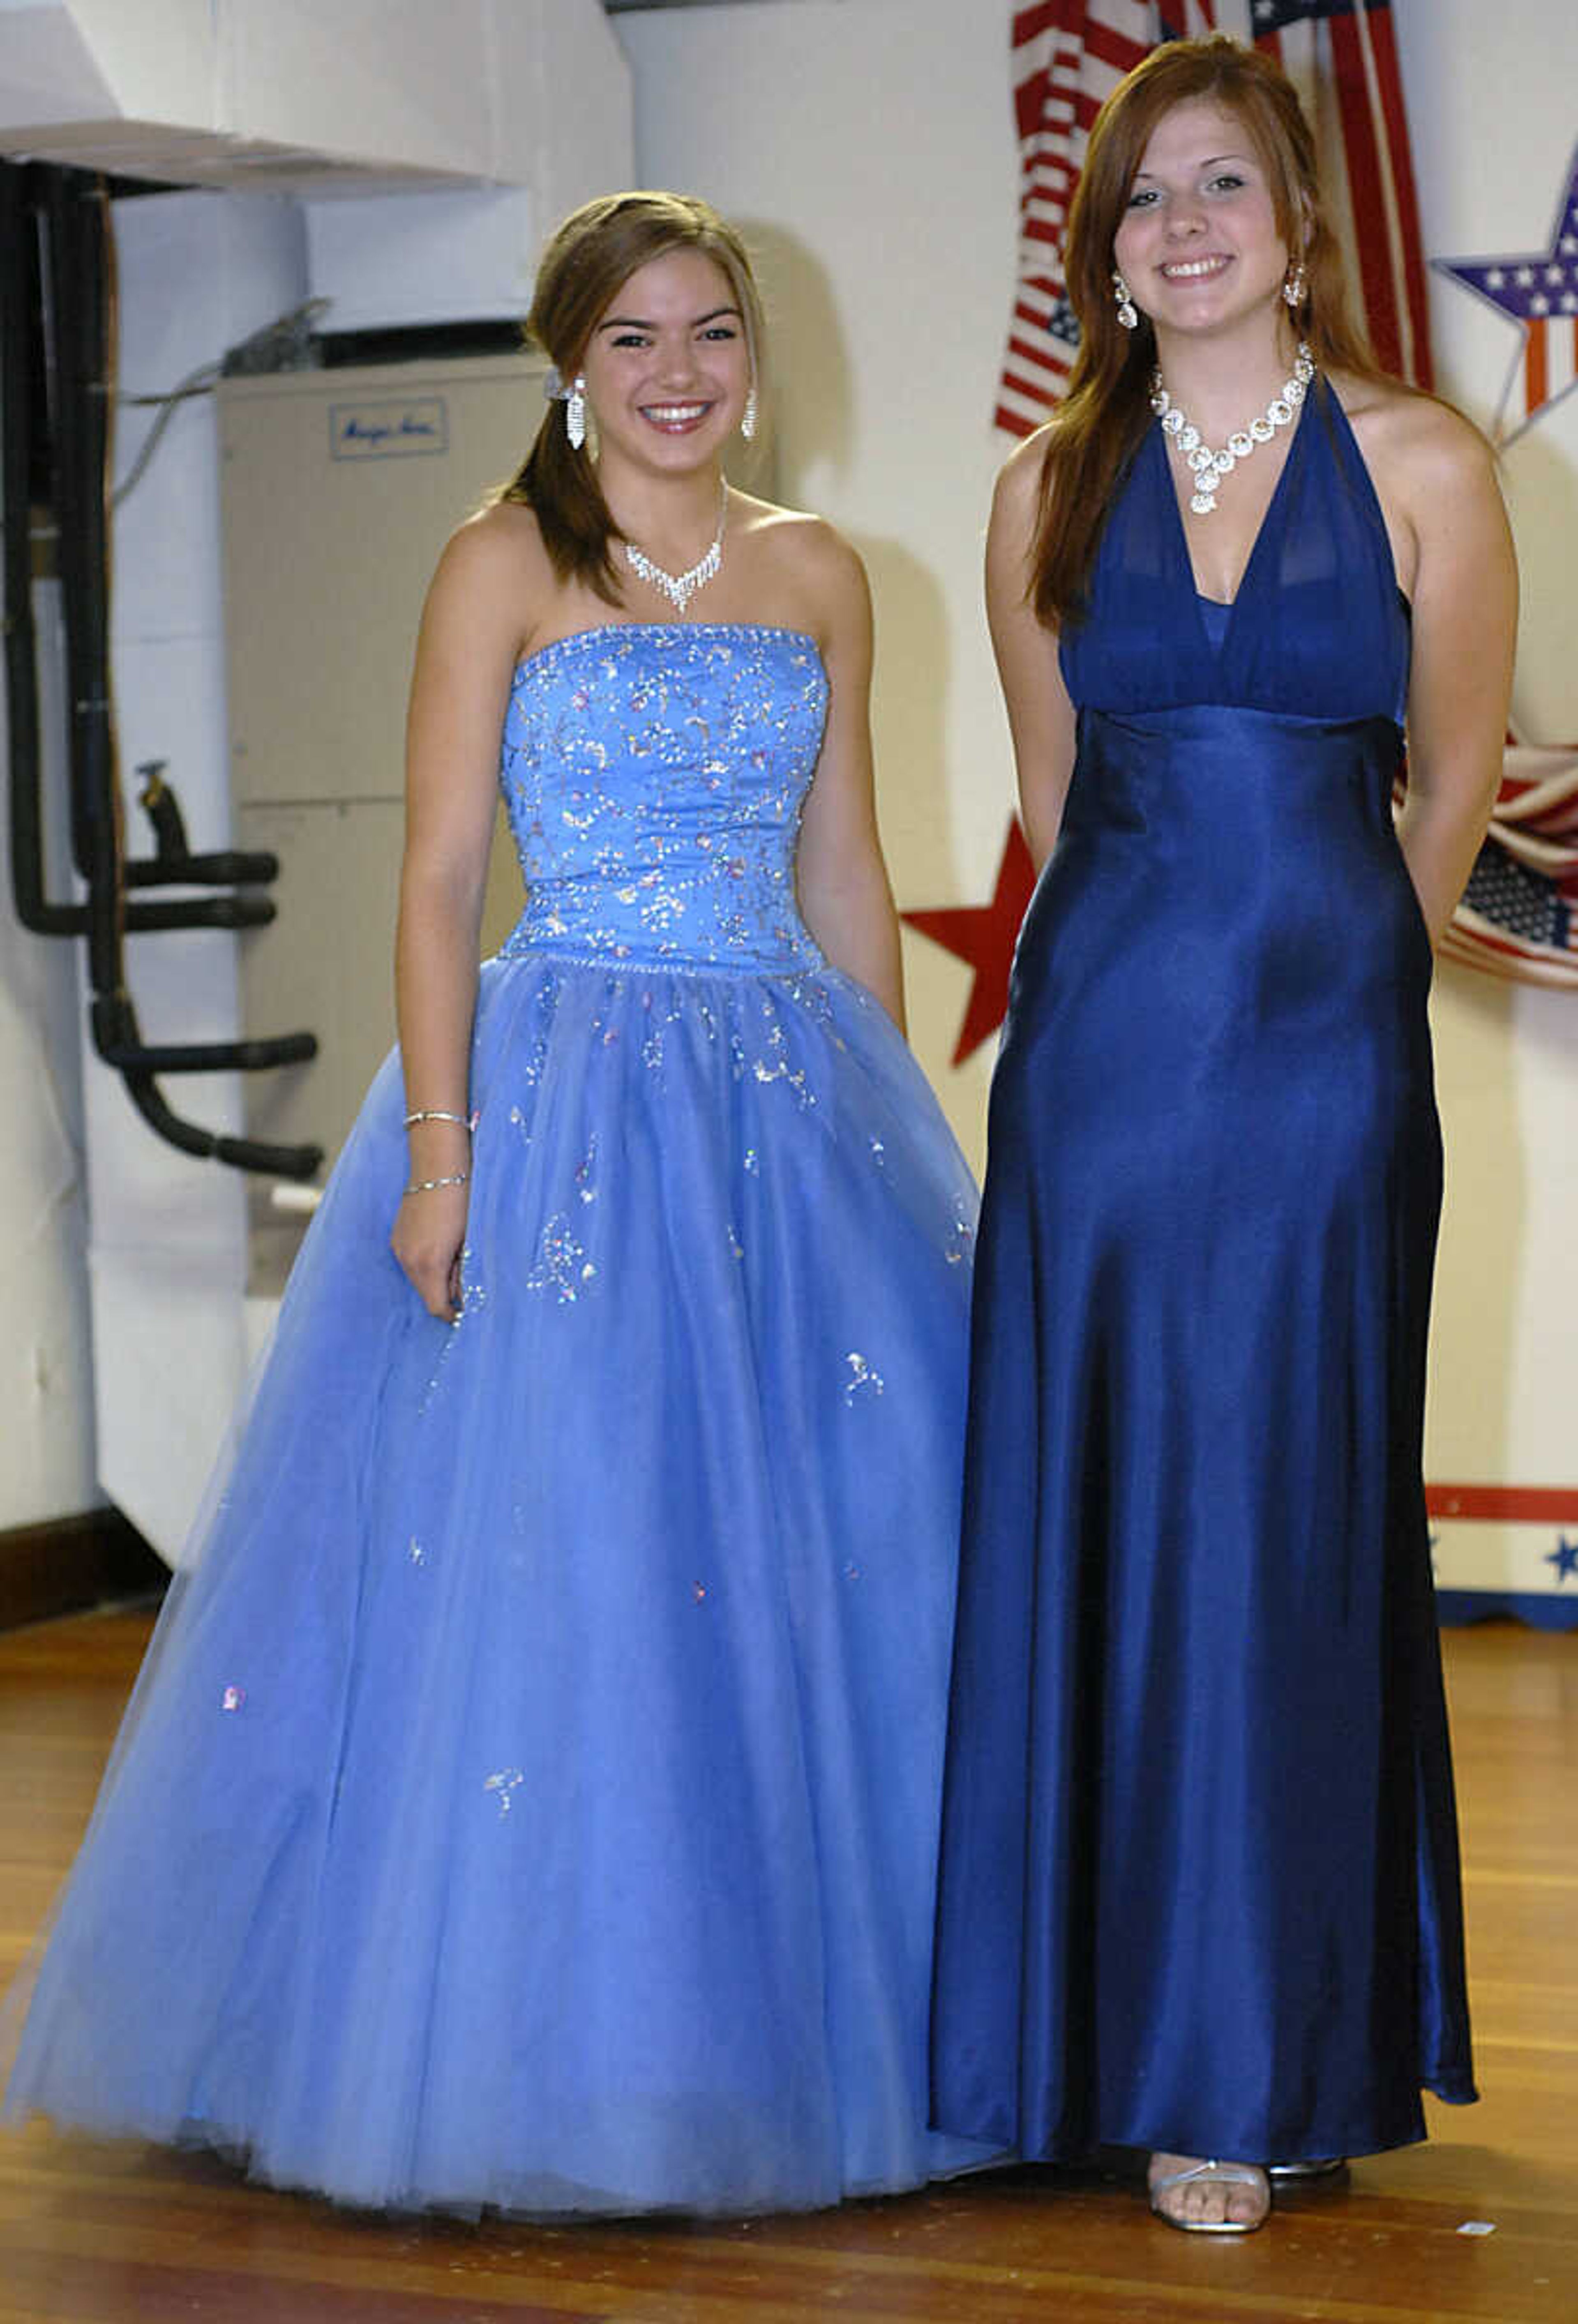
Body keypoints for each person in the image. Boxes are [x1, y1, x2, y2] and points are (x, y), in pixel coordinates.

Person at [4, 192, 992, 2217]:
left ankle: (846, 2029)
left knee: (815, 1570)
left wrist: (894, 1134)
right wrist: (444, 1152)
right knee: (586, 1565)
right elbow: (442, 880)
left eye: (713, 331)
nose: (680, 372)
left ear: (754, 356)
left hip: (786, 1098)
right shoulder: (497, 564)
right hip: (559, 1109)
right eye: (634, 338)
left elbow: (842, 872)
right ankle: (565, 2048)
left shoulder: (821, 573)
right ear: (570, 360)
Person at [930, 37, 1515, 2235]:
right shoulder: (1042, 487)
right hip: (1104, 1062)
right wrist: (1144, 986)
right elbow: (1052, 801)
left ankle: (1265, 2048)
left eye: (1224, 185)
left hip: (1328, 1057)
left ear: (1296, 218)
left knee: (1288, 1522)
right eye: (1145, 196)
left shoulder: (1427, 463)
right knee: (1114, 1514)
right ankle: (1099, 2044)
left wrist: (1352, 964)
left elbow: (1449, 780)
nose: (1185, 224)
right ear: (1107, 247)